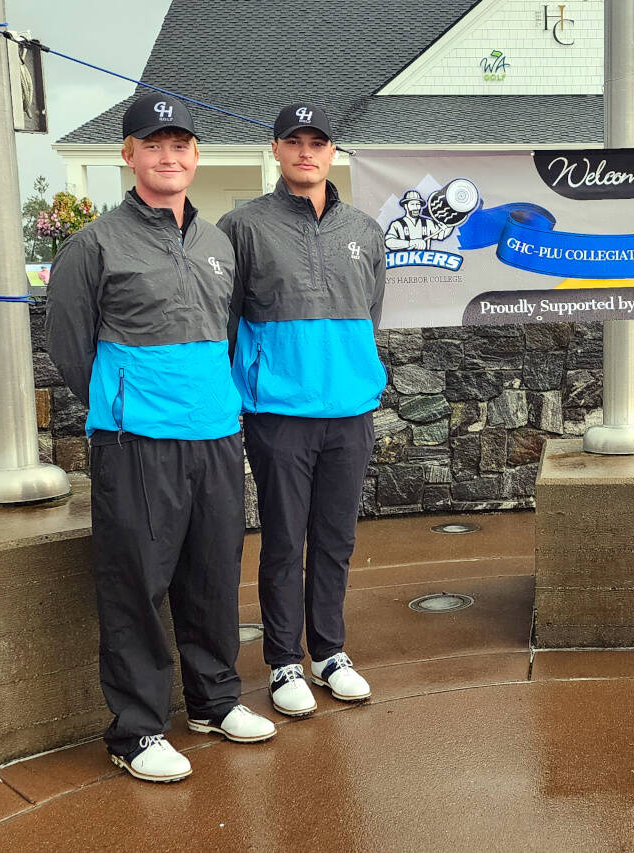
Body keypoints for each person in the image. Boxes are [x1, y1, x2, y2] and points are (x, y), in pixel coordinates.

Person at [47, 94, 276, 784]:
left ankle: (213, 701)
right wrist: (128, 404)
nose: (167, 156)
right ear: (129, 155)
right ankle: (137, 729)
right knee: (135, 585)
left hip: (213, 436)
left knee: (210, 576)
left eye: (179, 144)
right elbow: (69, 348)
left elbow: (229, 331)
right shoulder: (93, 245)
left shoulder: (217, 243)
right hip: (135, 439)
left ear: (196, 157)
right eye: (153, 145)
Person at [217, 103, 386, 718]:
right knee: (286, 539)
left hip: (350, 409)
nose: (307, 152)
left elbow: (371, 312)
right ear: (276, 150)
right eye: (295, 141)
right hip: (279, 411)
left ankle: (329, 652)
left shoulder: (365, 230)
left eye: (318, 142)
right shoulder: (242, 227)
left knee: (336, 539)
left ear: (334, 151)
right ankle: (284, 659)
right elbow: (226, 320)